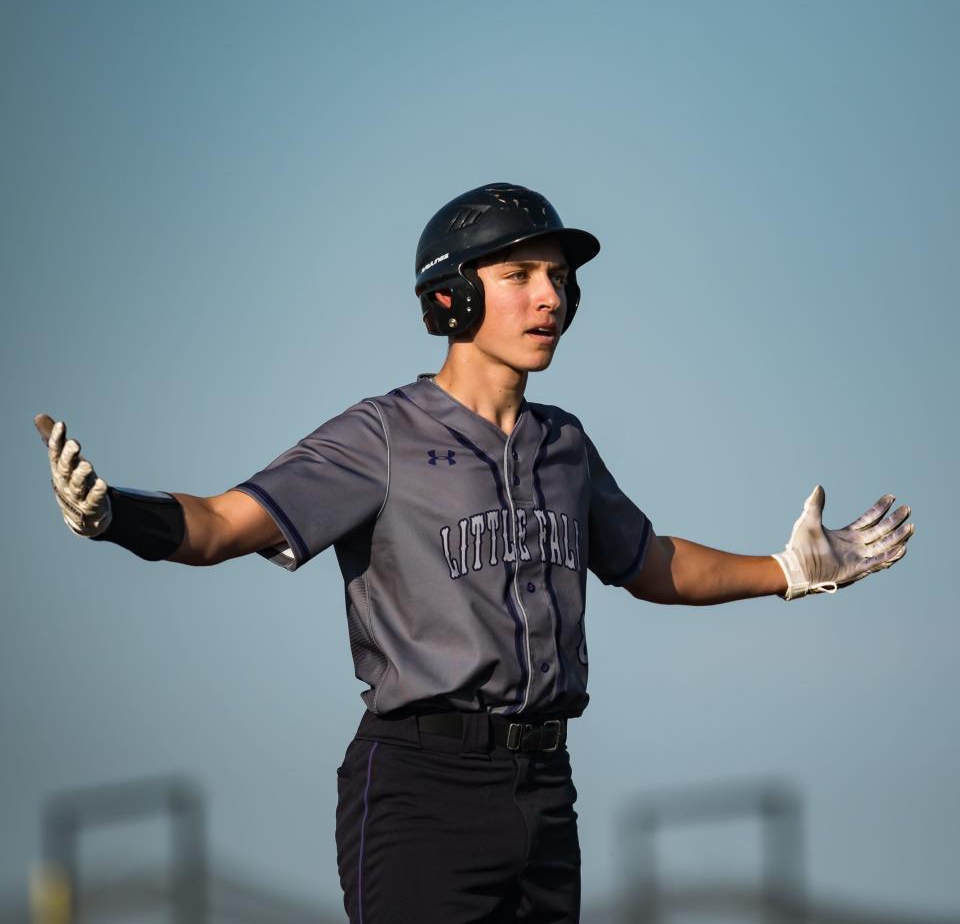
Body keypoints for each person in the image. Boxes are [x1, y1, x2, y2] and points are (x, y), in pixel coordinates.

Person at [35, 182, 914, 923]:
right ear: (450, 297)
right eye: (521, 274)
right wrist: (114, 514)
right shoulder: (382, 435)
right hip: (421, 785)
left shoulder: (564, 444)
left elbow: (650, 563)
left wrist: (793, 571)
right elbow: (222, 524)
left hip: (545, 789)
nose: (551, 298)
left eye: (561, 279)